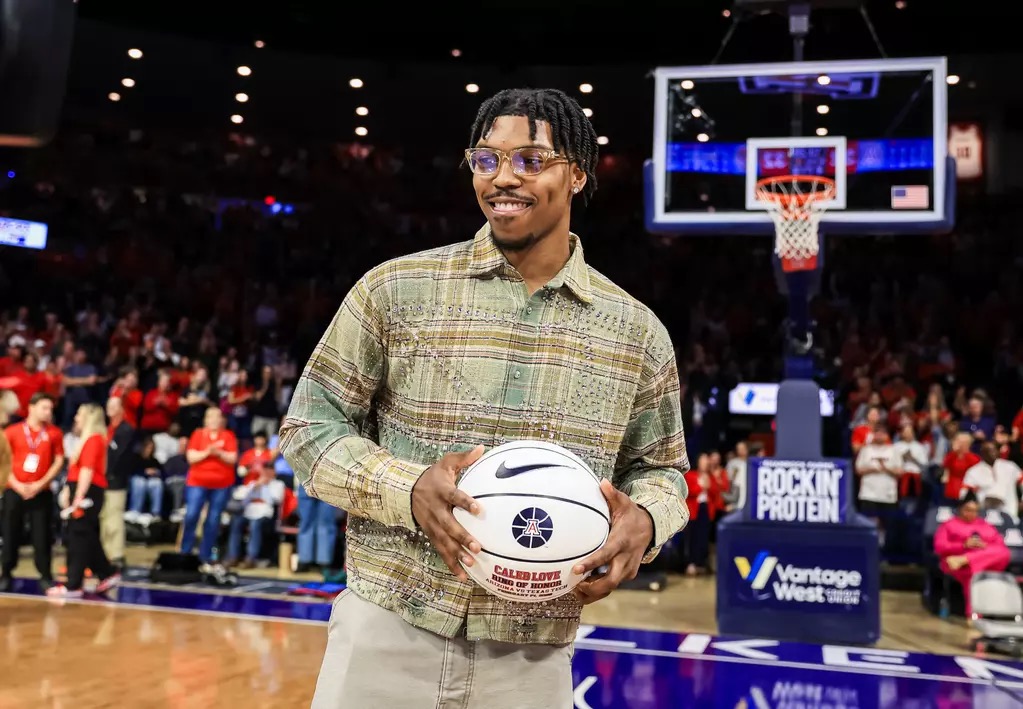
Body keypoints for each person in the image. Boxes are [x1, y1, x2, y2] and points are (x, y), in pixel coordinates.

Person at [279, 87, 689, 708]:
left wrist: (649, 519)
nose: (503, 179)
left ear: (577, 173)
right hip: (387, 629)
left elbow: (662, 471)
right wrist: (406, 488)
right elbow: (308, 429)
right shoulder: (395, 290)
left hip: (534, 654)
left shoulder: (635, 331)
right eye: (486, 160)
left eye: (530, 160)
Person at [48, 403, 121, 598]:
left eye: (79, 414)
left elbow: (87, 471)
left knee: (78, 537)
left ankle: (73, 585)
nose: (76, 418)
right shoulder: (90, 440)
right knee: (85, 535)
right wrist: (67, 490)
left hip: (87, 491)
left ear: (89, 417)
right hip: (81, 488)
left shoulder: (94, 440)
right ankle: (107, 572)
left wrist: (78, 498)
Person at [1, 392, 64, 592]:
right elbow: (3, 462)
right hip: (14, 489)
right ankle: (6, 573)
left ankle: (45, 575)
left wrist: (41, 483)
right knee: (10, 533)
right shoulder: (12, 431)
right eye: (44, 408)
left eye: (50, 409)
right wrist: (16, 483)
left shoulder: (54, 433)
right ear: (31, 407)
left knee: (42, 536)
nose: (48, 412)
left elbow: (59, 460)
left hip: (41, 491)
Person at [180, 405, 238, 568]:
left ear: (222, 420)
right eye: (211, 416)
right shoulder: (198, 434)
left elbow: (233, 458)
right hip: (197, 482)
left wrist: (219, 453)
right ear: (205, 420)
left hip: (221, 484)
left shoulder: (228, 436)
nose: (214, 420)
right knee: (191, 515)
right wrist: (208, 451)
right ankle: (185, 552)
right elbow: (191, 457)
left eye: (217, 416)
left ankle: (205, 556)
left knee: (213, 520)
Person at [934, 493, 1010, 616]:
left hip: (983, 561)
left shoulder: (985, 525)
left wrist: (985, 546)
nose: (971, 514)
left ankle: (965, 559)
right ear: (960, 509)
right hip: (957, 566)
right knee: (973, 574)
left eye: (975, 511)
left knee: (1004, 552)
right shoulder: (948, 525)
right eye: (967, 510)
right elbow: (939, 547)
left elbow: (1000, 546)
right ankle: (974, 615)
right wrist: (963, 545)